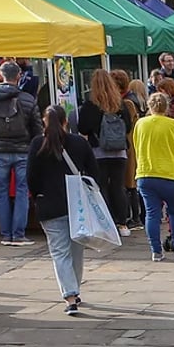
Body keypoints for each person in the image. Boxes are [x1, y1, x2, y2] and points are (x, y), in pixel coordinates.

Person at [28, 106, 99, 315]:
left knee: (59, 252)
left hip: (49, 204)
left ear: (44, 121)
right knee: (76, 250)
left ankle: (70, 295)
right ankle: (74, 291)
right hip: (77, 205)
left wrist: (37, 195)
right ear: (66, 121)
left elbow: (31, 177)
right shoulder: (79, 143)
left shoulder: (37, 144)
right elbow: (94, 172)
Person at [0, 61, 44, 247]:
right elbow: (37, 128)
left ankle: (6, 234)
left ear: (0, 76)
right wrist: (35, 150)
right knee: (22, 190)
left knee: (1, 191)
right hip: (23, 151)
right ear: (18, 76)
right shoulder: (27, 99)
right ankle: (19, 234)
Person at [132, 92, 174, 261]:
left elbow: (136, 145)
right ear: (166, 107)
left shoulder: (140, 124)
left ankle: (156, 251)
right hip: (169, 175)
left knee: (152, 214)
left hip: (145, 174)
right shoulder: (173, 125)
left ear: (149, 107)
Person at [75, 69, 134, 236]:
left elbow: (82, 128)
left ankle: (105, 224)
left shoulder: (90, 105)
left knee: (101, 188)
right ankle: (122, 224)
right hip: (119, 152)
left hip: (98, 152)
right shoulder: (120, 104)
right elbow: (128, 127)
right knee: (118, 187)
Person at [113, 70, 146, 230]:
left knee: (130, 183)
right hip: (133, 144)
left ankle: (135, 217)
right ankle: (137, 216)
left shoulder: (127, 102)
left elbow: (128, 127)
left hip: (130, 145)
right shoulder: (133, 99)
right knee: (131, 182)